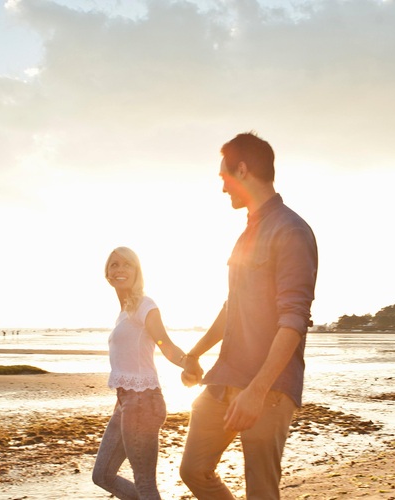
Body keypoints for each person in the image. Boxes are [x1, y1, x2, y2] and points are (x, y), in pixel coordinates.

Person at [179, 132, 318, 499]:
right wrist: (195, 353)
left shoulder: (291, 231)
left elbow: (293, 320)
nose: (222, 188)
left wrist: (257, 391)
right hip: (225, 378)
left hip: (267, 389)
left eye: (223, 176)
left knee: (260, 492)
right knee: (193, 469)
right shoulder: (246, 234)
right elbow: (232, 307)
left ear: (242, 169)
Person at [92, 246, 190, 500]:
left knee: (146, 484)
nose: (120, 269)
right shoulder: (124, 313)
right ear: (107, 274)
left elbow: (164, 343)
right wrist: (119, 403)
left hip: (143, 402)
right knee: (102, 475)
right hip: (126, 403)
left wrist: (188, 364)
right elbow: (125, 368)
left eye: (127, 264)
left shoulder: (145, 306)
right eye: (114, 264)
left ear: (137, 271)